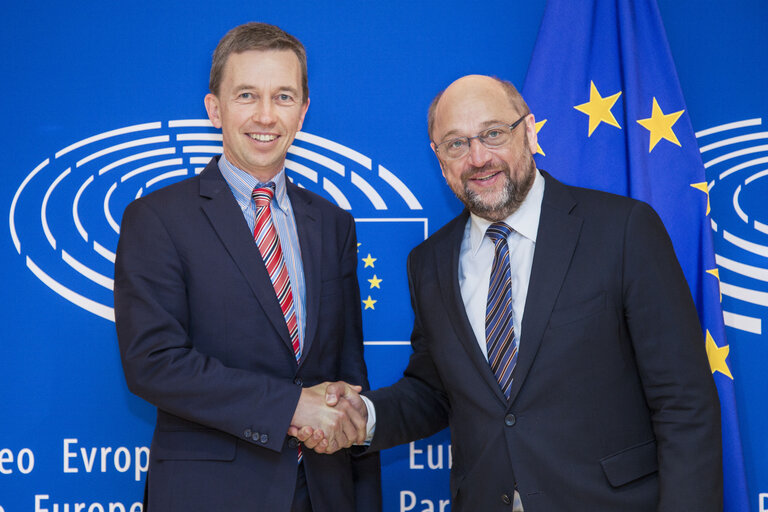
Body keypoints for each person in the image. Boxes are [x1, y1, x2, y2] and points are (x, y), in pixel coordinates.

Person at [302, 75, 723, 511]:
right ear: (439, 159)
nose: (479, 158)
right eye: (456, 144)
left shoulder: (622, 230)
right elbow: (436, 391)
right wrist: (361, 418)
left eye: (493, 134)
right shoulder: (429, 262)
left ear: (530, 131)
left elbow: (684, 404)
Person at [114, 22, 380, 512]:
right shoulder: (157, 219)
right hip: (211, 496)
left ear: (302, 112)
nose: (265, 115)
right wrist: (291, 407)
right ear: (214, 109)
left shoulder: (333, 223)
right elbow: (153, 363)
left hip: (324, 492)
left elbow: (348, 369)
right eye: (246, 95)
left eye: (283, 97)